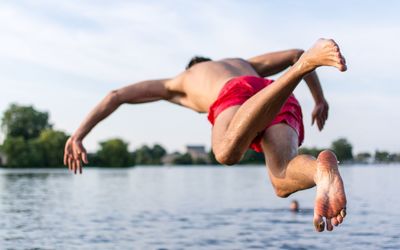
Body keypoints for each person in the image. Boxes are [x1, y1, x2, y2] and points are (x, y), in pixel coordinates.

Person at [64, 38, 347, 232]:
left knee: (225, 151)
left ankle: (298, 72)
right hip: (274, 92)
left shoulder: (180, 81)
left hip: (238, 92)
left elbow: (117, 95)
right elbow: (296, 52)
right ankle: (322, 172)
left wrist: (78, 135)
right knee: (282, 180)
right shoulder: (241, 62)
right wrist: (319, 99)